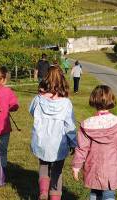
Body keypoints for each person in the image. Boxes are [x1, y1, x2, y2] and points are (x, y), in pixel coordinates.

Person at [72, 85, 117, 200]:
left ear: (93, 100)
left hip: (93, 164)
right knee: (109, 192)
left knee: (95, 191)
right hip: (112, 163)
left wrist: (76, 166)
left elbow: (82, 148)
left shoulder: (87, 124)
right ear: (111, 99)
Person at [29, 66, 77, 200]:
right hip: (58, 144)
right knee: (57, 171)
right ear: (62, 80)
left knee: (44, 166)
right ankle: (54, 196)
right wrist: (73, 142)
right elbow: (69, 126)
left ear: (46, 79)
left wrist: (42, 94)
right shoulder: (66, 103)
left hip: (42, 140)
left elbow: (31, 111)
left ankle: (43, 192)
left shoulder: (38, 99)